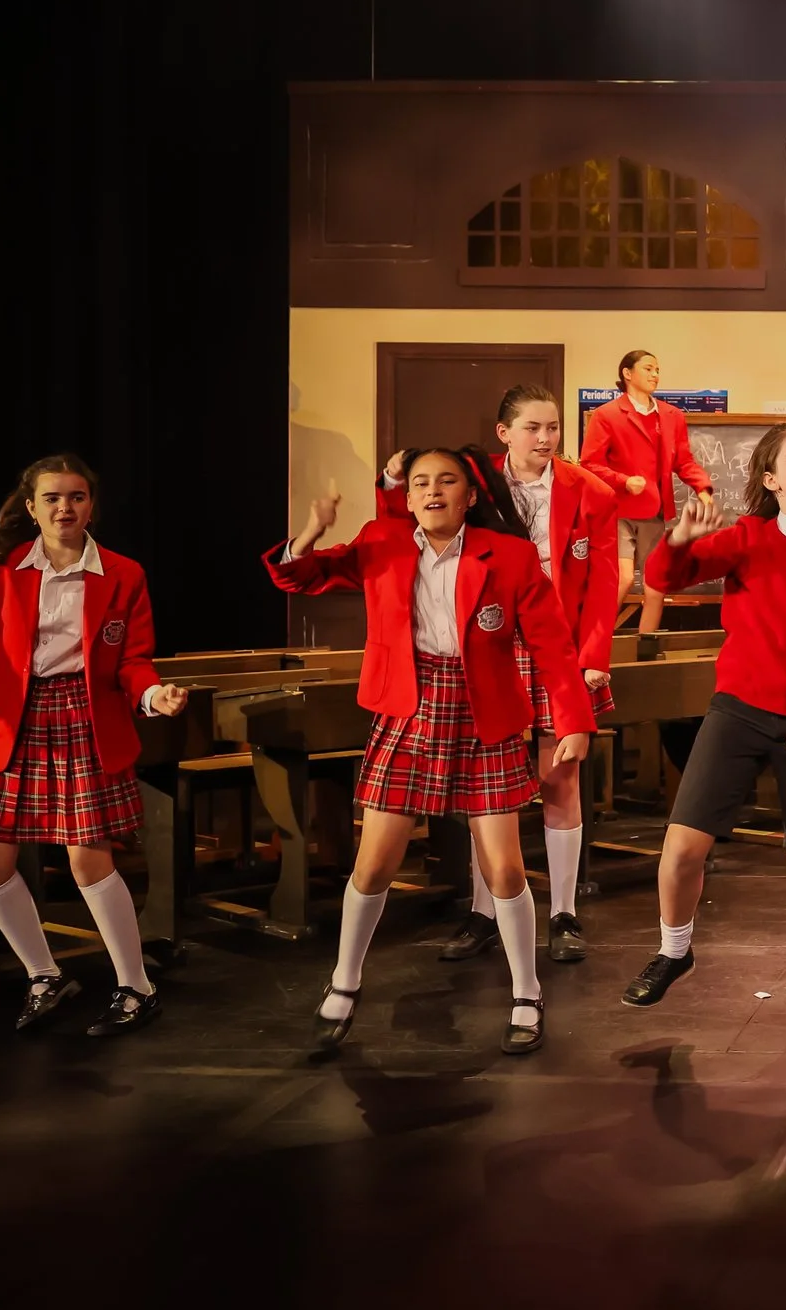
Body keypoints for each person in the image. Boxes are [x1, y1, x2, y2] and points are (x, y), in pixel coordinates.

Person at [267, 450, 593, 1057]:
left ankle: (526, 992)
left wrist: (572, 719)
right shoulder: (381, 541)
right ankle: (343, 982)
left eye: (447, 481)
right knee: (373, 865)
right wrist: (310, 533)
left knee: (504, 869)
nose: (433, 491)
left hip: (485, 713)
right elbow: (300, 577)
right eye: (421, 483)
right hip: (408, 707)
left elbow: (551, 646)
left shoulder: (511, 556)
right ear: (407, 497)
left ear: (471, 496)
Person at [621, 424, 786, 1052]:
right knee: (683, 849)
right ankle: (673, 952)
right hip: (738, 713)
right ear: (771, 479)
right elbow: (665, 576)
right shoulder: (746, 538)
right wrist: (681, 538)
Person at [0, 455, 187, 1037]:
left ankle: (136, 987)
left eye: (76, 497)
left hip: (86, 719)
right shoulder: (2, 570)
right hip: (19, 723)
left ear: (91, 506)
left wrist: (153, 694)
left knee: (87, 859)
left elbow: (133, 659)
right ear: (31, 507)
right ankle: (44, 974)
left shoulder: (123, 573)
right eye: (52, 498)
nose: (64, 508)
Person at [379, 383, 618, 964]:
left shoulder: (589, 491)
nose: (546, 438)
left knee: (560, 779)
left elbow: (605, 582)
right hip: (487, 646)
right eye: (533, 428)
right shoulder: (470, 477)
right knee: (487, 789)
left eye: (554, 428)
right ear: (504, 433)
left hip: (557, 650)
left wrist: (593, 657)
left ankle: (563, 913)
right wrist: (392, 478)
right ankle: (484, 913)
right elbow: (400, 522)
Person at [580, 349, 712, 636]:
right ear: (627, 374)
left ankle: (646, 646)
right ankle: (592, 644)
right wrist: (623, 481)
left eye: (657, 370)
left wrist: (702, 487)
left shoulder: (671, 416)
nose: (655, 375)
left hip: (654, 511)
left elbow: (684, 461)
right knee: (623, 579)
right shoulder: (607, 415)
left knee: (656, 584)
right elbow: (589, 464)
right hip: (617, 512)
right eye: (648, 368)